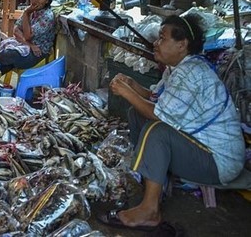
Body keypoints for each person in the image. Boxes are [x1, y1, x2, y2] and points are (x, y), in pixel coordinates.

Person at [99, 15, 244, 231]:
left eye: (162, 38)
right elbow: (155, 97)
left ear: (182, 44)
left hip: (219, 161)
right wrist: (132, 84)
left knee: (157, 131)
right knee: (136, 113)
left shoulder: (191, 73)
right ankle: (152, 180)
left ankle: (150, 210)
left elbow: (158, 114)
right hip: (198, 146)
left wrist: (126, 92)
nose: (156, 43)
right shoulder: (176, 69)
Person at [0, 0, 56, 74]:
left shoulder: (47, 16)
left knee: (7, 55)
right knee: (0, 52)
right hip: (28, 46)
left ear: (47, 0)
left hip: (38, 53)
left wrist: (27, 14)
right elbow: (16, 30)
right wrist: (29, 44)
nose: (34, 0)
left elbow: (28, 36)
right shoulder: (30, 9)